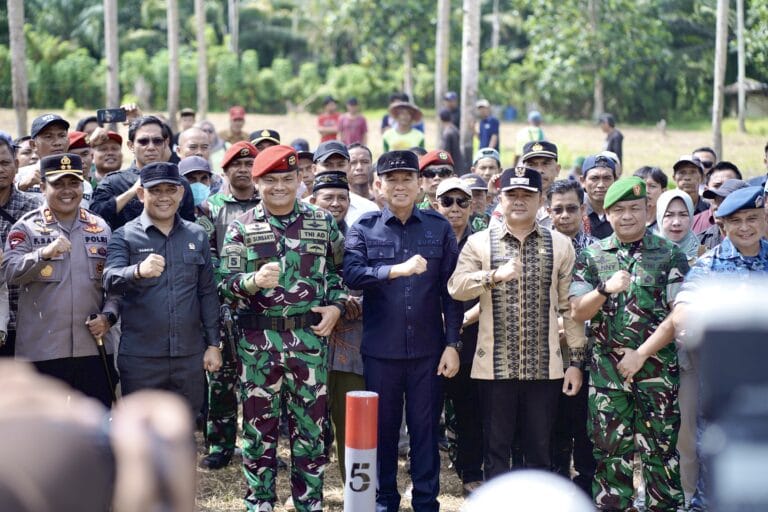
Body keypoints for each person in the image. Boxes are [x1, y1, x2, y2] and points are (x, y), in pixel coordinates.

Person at [616, 185, 768, 512]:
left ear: (764, 218)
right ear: (722, 226)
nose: (745, 227)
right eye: (736, 221)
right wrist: (643, 352)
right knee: (715, 460)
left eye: (753, 218)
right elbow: (680, 312)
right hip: (721, 385)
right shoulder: (709, 265)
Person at [218, 145, 347, 511]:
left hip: (309, 342)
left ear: (300, 180)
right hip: (258, 345)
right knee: (259, 432)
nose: (279, 187)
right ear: (256, 183)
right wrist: (252, 281)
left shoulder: (322, 223)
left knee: (311, 431)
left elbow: (338, 274)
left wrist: (336, 306)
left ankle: (309, 502)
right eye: (270, 180)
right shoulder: (241, 227)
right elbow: (223, 285)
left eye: (287, 179)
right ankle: (260, 503)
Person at [449, 166, 585, 480]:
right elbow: (456, 287)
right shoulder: (479, 243)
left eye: (527, 195)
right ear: (501, 197)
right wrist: (494, 276)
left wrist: (575, 362)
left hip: (545, 368)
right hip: (494, 369)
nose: (519, 201)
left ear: (541, 201)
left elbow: (570, 309)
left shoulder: (560, 245)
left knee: (539, 450)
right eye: (512, 194)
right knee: (496, 450)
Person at [344, 150, 462, 512]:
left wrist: (452, 344)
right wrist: (394, 270)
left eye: (407, 178)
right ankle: (385, 501)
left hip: (428, 351)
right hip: (381, 351)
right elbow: (351, 274)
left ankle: (427, 501)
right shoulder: (364, 228)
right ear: (378, 185)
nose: (399, 186)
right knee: (383, 431)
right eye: (391, 179)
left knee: (425, 431)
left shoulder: (438, 227)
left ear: (420, 185)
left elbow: (452, 292)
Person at [570, 177, 688, 512]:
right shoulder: (593, 256)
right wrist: (604, 289)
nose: (627, 216)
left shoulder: (669, 255)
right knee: (610, 456)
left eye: (635, 208)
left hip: (656, 373)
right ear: (606, 214)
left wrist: (641, 354)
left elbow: (679, 315)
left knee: (661, 454)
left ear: (648, 210)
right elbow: (577, 311)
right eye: (618, 209)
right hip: (607, 377)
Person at [103, 161, 222, 412]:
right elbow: (109, 279)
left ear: (180, 192)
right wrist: (137, 271)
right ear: (141, 194)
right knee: (141, 435)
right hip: (140, 358)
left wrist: (213, 345)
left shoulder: (196, 235)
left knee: (184, 430)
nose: (164, 197)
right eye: (156, 190)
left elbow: (207, 293)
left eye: (171, 189)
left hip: (188, 356)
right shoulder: (124, 235)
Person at [2, 154, 118, 408]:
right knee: (42, 433)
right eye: (58, 184)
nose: (67, 191)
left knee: (94, 429)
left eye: (73, 183)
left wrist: (108, 317)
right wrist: (43, 254)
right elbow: (10, 271)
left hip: (93, 348)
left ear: (83, 184)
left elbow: (114, 285)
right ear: (42, 186)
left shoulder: (100, 228)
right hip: (42, 351)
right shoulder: (26, 228)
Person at [196, 141, 261, 471]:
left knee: (260, 382)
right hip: (224, 303)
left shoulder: (269, 203)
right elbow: (207, 255)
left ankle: (258, 445)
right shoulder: (210, 207)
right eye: (236, 164)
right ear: (225, 170)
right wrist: (236, 282)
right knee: (221, 381)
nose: (244, 169)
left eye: (250, 163)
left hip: (265, 304)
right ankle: (221, 444)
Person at [307, 170, 363, 482]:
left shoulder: (360, 237)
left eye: (342, 197)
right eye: (328, 197)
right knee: (309, 424)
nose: (336, 203)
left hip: (350, 349)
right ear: (313, 200)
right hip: (306, 346)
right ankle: (308, 489)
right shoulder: (298, 237)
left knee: (351, 424)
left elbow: (368, 285)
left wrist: (348, 305)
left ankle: (354, 489)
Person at [433, 177, 484, 495]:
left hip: (472, 333)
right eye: (447, 202)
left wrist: (459, 321)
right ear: (435, 205)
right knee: (425, 411)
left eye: (462, 201)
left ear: (472, 205)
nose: (455, 208)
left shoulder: (482, 242)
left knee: (469, 409)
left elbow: (492, 291)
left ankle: (471, 473)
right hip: (430, 335)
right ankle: (424, 476)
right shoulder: (425, 237)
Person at [546, 179, 596, 496]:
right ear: (548, 212)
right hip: (547, 353)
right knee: (553, 427)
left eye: (571, 208)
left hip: (587, 353)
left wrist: (575, 328)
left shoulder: (598, 252)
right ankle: (557, 488)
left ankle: (587, 488)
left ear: (583, 209)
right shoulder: (539, 250)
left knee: (585, 428)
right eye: (558, 209)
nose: (565, 215)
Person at [654, 189, 703, 504]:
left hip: (692, 361)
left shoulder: (707, 254)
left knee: (688, 435)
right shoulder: (647, 252)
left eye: (682, 214)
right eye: (668, 215)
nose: (675, 222)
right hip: (653, 360)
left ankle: (689, 497)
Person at [90, 115, 196, 230]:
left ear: (165, 144)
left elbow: (189, 226)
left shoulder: (180, 182)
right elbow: (94, 218)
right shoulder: (113, 182)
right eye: (143, 141)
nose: (151, 147)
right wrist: (132, 192)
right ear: (131, 146)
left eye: (157, 141)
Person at [0, 132, 42, 358]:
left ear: (16, 165)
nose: (0, 169)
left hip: (27, 322)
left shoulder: (35, 209)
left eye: (5, 163)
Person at [314, 141, 378, 225]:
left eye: (340, 165)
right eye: (327, 165)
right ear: (314, 169)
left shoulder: (368, 209)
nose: (335, 170)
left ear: (349, 167)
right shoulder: (302, 206)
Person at [17, 113, 70, 192]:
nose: (57, 142)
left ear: (68, 140)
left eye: (62, 135)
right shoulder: (19, 177)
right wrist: (21, 187)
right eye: (48, 136)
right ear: (33, 145)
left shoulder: (81, 180)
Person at [691, 161, 742, 235]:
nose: (723, 191)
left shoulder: (754, 225)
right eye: (717, 186)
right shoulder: (693, 224)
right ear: (706, 190)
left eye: (729, 185)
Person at [697, 178, 748, 250]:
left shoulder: (759, 242)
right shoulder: (700, 241)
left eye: (725, 200)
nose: (716, 207)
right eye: (716, 200)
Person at [580, 155, 617, 239]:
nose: (601, 185)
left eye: (607, 178)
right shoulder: (575, 211)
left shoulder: (621, 212)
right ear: (583, 181)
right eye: (594, 178)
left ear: (615, 181)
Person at [632, 166, 668, 232]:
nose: (646, 191)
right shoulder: (628, 220)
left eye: (652, 186)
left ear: (663, 191)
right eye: (641, 186)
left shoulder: (667, 223)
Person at [66, 131, 95, 207]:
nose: (81, 161)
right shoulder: (61, 189)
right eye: (74, 157)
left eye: (84, 154)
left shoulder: (101, 183)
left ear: (92, 156)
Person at [439, 108, 463, 173]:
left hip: (451, 165)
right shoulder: (455, 129)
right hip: (458, 163)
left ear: (441, 119)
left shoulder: (447, 133)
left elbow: (445, 152)